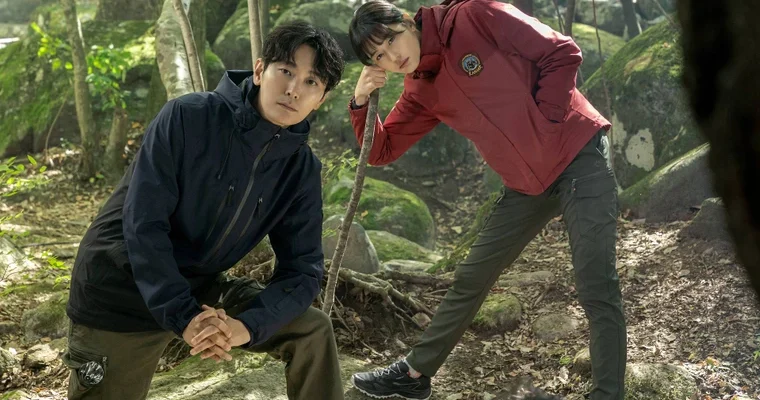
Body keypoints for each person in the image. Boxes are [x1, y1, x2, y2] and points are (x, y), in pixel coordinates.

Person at [346, 1, 625, 399]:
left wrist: (547, 121)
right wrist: (360, 102)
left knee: (596, 283)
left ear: (406, 20)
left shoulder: (474, 16)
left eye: (391, 40)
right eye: (378, 56)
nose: (392, 57)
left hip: (577, 154)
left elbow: (561, 51)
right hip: (526, 185)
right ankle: (414, 375)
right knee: (471, 278)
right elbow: (380, 150)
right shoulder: (420, 88)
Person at [63, 21, 345, 400]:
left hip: (201, 288)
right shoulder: (188, 116)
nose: (294, 89)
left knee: (312, 329)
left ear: (321, 98)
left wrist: (247, 326)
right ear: (259, 70)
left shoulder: (301, 168)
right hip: (121, 291)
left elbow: (302, 270)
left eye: (311, 82)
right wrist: (186, 317)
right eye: (286, 71)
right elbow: (144, 226)